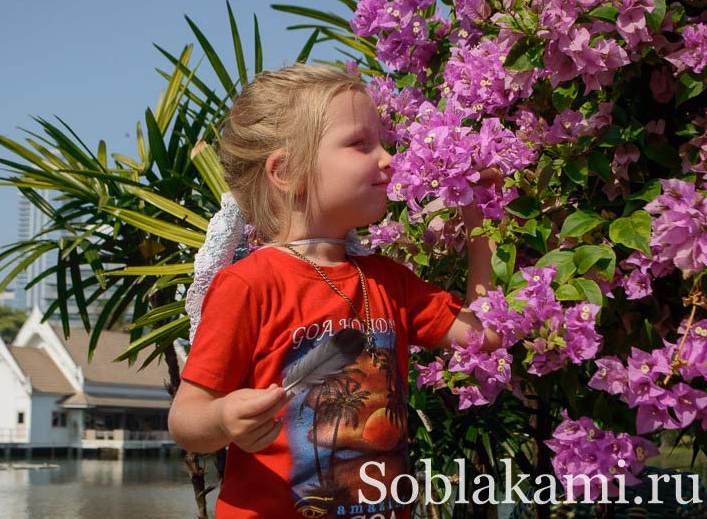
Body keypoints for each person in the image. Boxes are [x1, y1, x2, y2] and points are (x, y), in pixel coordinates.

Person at [168, 63, 502, 519]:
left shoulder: (388, 279)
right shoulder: (249, 284)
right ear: (286, 172)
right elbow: (186, 418)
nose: (388, 159)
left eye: (383, 143)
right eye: (360, 144)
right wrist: (224, 418)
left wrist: (481, 224)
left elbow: (483, 336)